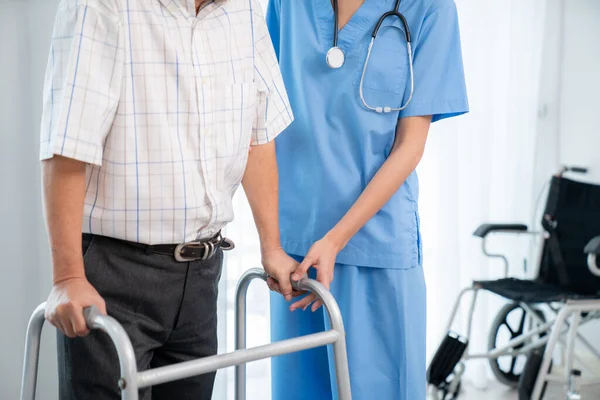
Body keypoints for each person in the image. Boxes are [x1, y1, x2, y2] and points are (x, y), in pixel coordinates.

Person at [40, 0, 297, 398]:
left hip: (202, 277)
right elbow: (68, 147)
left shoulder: (243, 10)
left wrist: (272, 246)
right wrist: (68, 277)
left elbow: (257, 134)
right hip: (116, 276)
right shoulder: (100, 7)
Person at [265, 0, 469, 399]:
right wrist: (270, 239)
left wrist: (335, 239)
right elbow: (262, 118)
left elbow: (410, 146)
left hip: (375, 249)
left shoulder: (428, 8)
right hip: (296, 254)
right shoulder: (288, 5)